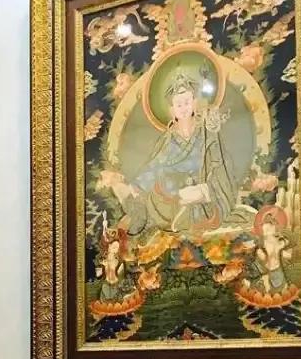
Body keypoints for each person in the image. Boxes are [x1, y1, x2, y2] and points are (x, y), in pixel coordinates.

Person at [98, 72, 250, 236]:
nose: (183, 108)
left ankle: (185, 213)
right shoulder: (169, 138)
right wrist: (137, 186)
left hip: (201, 187)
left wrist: (208, 189)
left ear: (194, 103)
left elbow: (219, 163)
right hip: (172, 191)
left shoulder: (206, 132)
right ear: (172, 111)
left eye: (187, 102)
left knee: (192, 195)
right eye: (179, 105)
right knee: (148, 192)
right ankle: (145, 211)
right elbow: (156, 164)